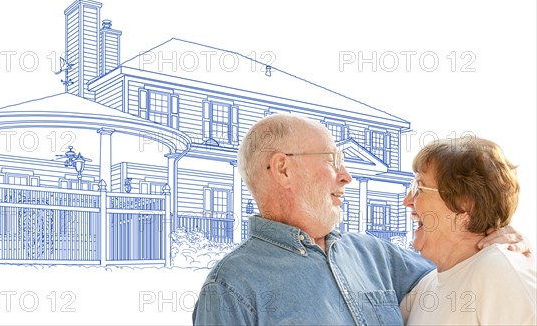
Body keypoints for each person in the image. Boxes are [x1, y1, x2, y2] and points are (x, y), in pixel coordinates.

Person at [192, 114, 529, 325]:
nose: (347, 176)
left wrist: (496, 231)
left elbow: (459, 268)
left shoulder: (376, 256)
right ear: (283, 168)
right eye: (331, 160)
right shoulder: (229, 289)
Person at [399, 137, 536, 325]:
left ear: (465, 203)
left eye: (418, 187)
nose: (406, 201)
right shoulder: (424, 287)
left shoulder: (500, 273)